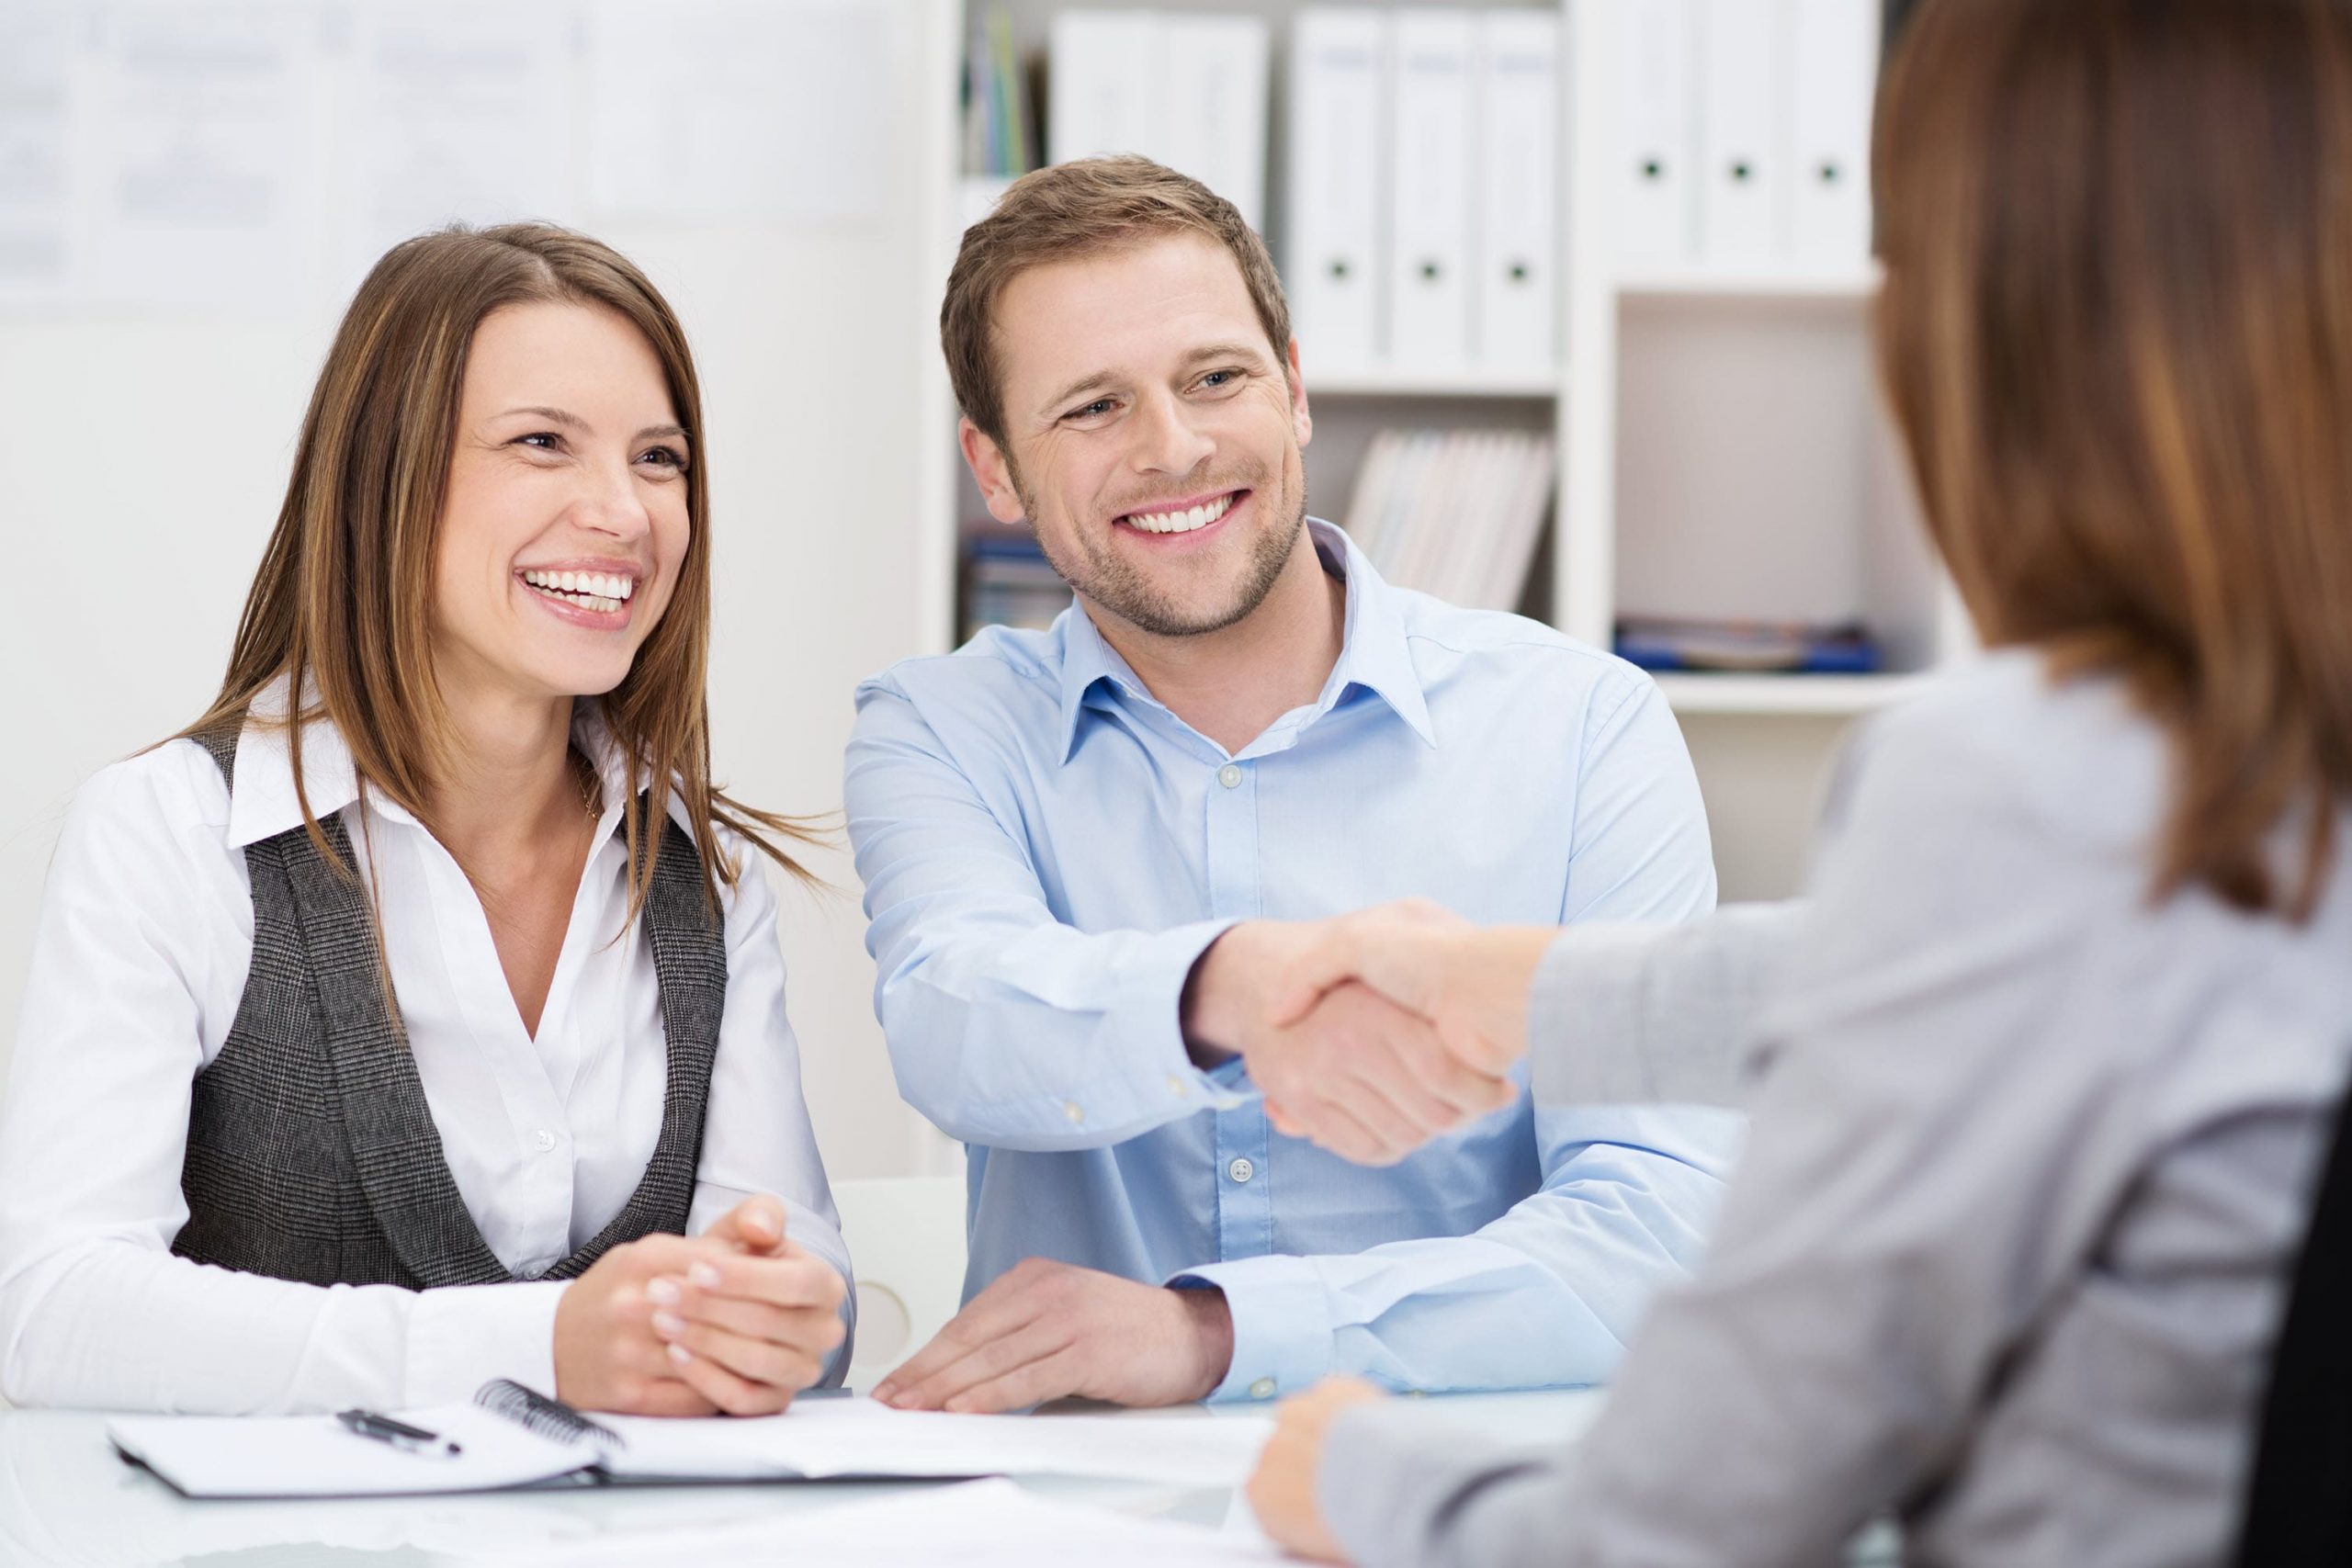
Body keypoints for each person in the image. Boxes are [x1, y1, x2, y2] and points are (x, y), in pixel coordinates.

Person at [1243, 0, 2352, 1561]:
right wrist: (1522, 985)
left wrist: (1353, 1472)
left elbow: (1680, 1534)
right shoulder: (2238, 785)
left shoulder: (2018, 784)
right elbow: (2041, 975)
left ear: (1999, 318)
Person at [845, 155, 1742, 1415]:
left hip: (1457, 1496)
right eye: (1092, 408)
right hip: (1077, 1510)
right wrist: (1235, 986)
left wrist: (1216, 1336)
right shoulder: (938, 729)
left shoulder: (1583, 724)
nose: (1175, 448)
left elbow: (1660, 1233)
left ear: (1297, 390)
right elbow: (955, 1020)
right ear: (994, 471)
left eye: (1218, 378)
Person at [0, 223, 850, 1417]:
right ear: (384, 480)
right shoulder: (170, 834)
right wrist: (537, 1345)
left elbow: (798, 1295)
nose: (624, 511)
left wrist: (788, 1323)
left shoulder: (702, 875)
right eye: (542, 443)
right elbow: (52, 1311)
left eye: (660, 458)